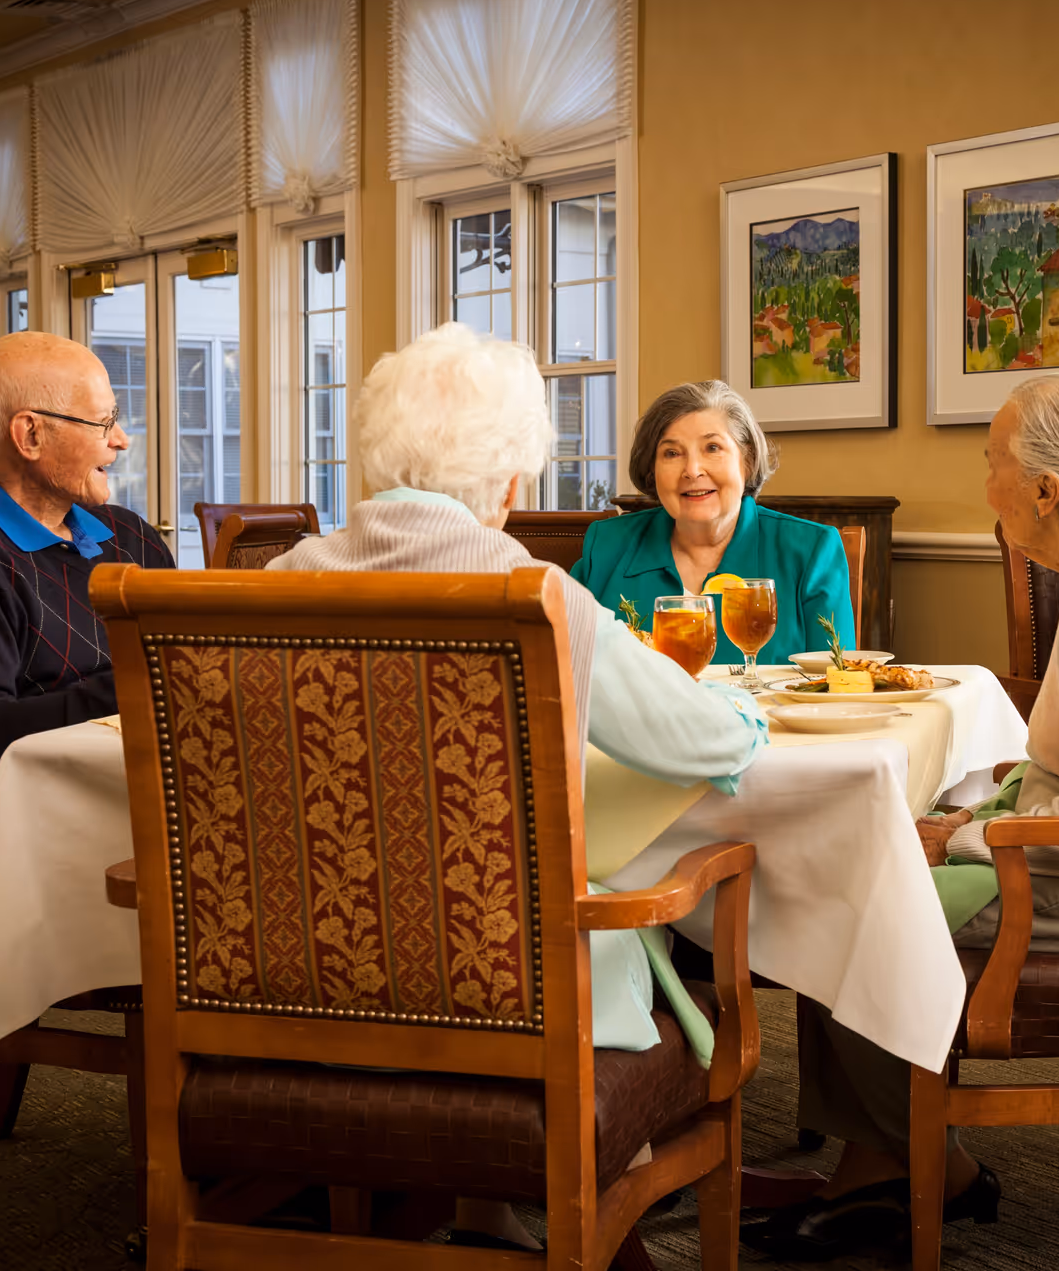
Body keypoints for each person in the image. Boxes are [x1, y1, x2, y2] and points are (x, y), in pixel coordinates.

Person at [268, 322, 769, 1253]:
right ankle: (589, 1215)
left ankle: (479, 1214)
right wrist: (751, 719)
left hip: (301, 984)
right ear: (506, 483)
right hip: (510, 989)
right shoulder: (530, 591)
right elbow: (700, 738)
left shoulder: (280, 580)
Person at [746, 374, 1059, 1262]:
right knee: (860, 876)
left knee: (843, 904)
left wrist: (959, 835)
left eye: (993, 465)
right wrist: (966, 821)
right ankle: (886, 1162)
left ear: (1047, 490)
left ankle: (919, 1168)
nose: (987, 486)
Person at [0, 332, 173, 791]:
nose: (121, 441)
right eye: (104, 422)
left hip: (148, 783)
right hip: (34, 821)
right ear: (31, 435)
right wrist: (142, 686)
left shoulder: (131, 536)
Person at [569, 381, 855, 663]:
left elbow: (836, 689)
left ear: (748, 460)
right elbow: (562, 670)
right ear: (652, 470)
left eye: (713, 448)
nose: (692, 470)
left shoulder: (811, 552)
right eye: (672, 453)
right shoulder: (606, 545)